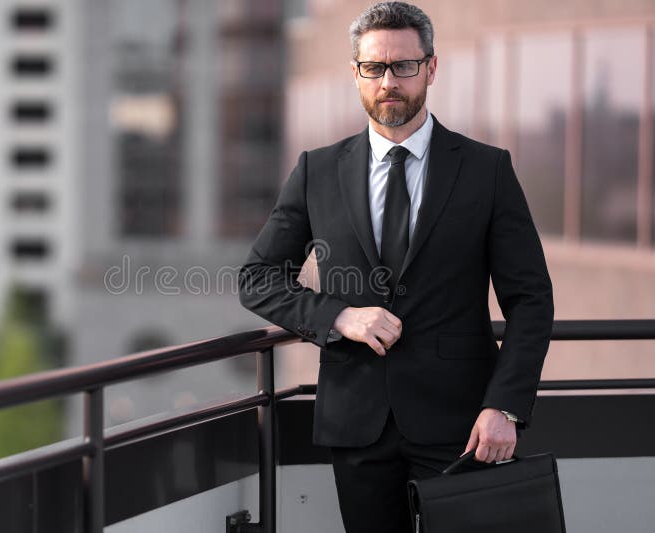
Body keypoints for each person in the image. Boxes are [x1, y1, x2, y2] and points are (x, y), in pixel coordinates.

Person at [237, 2, 554, 531]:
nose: (389, 80)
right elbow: (258, 278)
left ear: (431, 68)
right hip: (357, 426)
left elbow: (531, 299)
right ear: (356, 73)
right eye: (374, 67)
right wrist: (339, 316)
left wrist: (506, 406)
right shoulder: (317, 170)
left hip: (463, 424)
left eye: (404, 66)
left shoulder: (486, 170)